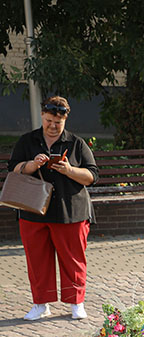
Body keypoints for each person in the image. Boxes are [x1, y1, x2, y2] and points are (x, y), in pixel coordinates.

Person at [7, 96, 98, 321]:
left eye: (58, 122)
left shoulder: (76, 143)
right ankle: (41, 304)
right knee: (37, 260)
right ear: (42, 116)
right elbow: (13, 170)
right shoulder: (28, 141)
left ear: (65, 120)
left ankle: (76, 303)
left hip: (71, 211)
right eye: (49, 120)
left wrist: (69, 170)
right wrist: (32, 165)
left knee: (73, 259)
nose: (52, 126)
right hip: (32, 210)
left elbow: (92, 176)